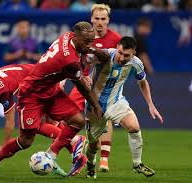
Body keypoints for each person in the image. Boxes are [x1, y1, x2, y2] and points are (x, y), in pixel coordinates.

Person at [0, 21, 109, 178]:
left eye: (92, 41)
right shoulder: (69, 60)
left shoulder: (68, 36)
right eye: (86, 41)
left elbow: (84, 51)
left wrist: (93, 49)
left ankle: (51, 155)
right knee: (26, 141)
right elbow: (82, 86)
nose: (89, 44)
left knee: (77, 120)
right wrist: (96, 105)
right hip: (31, 94)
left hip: (51, 90)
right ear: (76, 37)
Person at [85, 36, 163, 178]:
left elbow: (143, 82)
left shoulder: (136, 63)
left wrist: (150, 104)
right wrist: (85, 75)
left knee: (134, 127)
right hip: (95, 106)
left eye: (126, 55)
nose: (121, 58)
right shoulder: (105, 56)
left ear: (133, 53)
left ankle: (137, 164)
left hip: (116, 102)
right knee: (93, 145)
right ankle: (90, 163)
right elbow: (84, 60)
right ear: (117, 47)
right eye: (120, 52)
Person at [68, 3, 121, 172]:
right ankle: (79, 150)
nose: (99, 22)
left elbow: (120, 64)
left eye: (103, 19)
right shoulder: (83, 37)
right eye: (96, 18)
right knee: (67, 116)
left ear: (108, 20)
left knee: (105, 116)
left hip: (104, 85)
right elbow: (75, 58)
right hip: (83, 82)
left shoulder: (115, 39)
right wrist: (82, 76)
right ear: (91, 19)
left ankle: (104, 159)